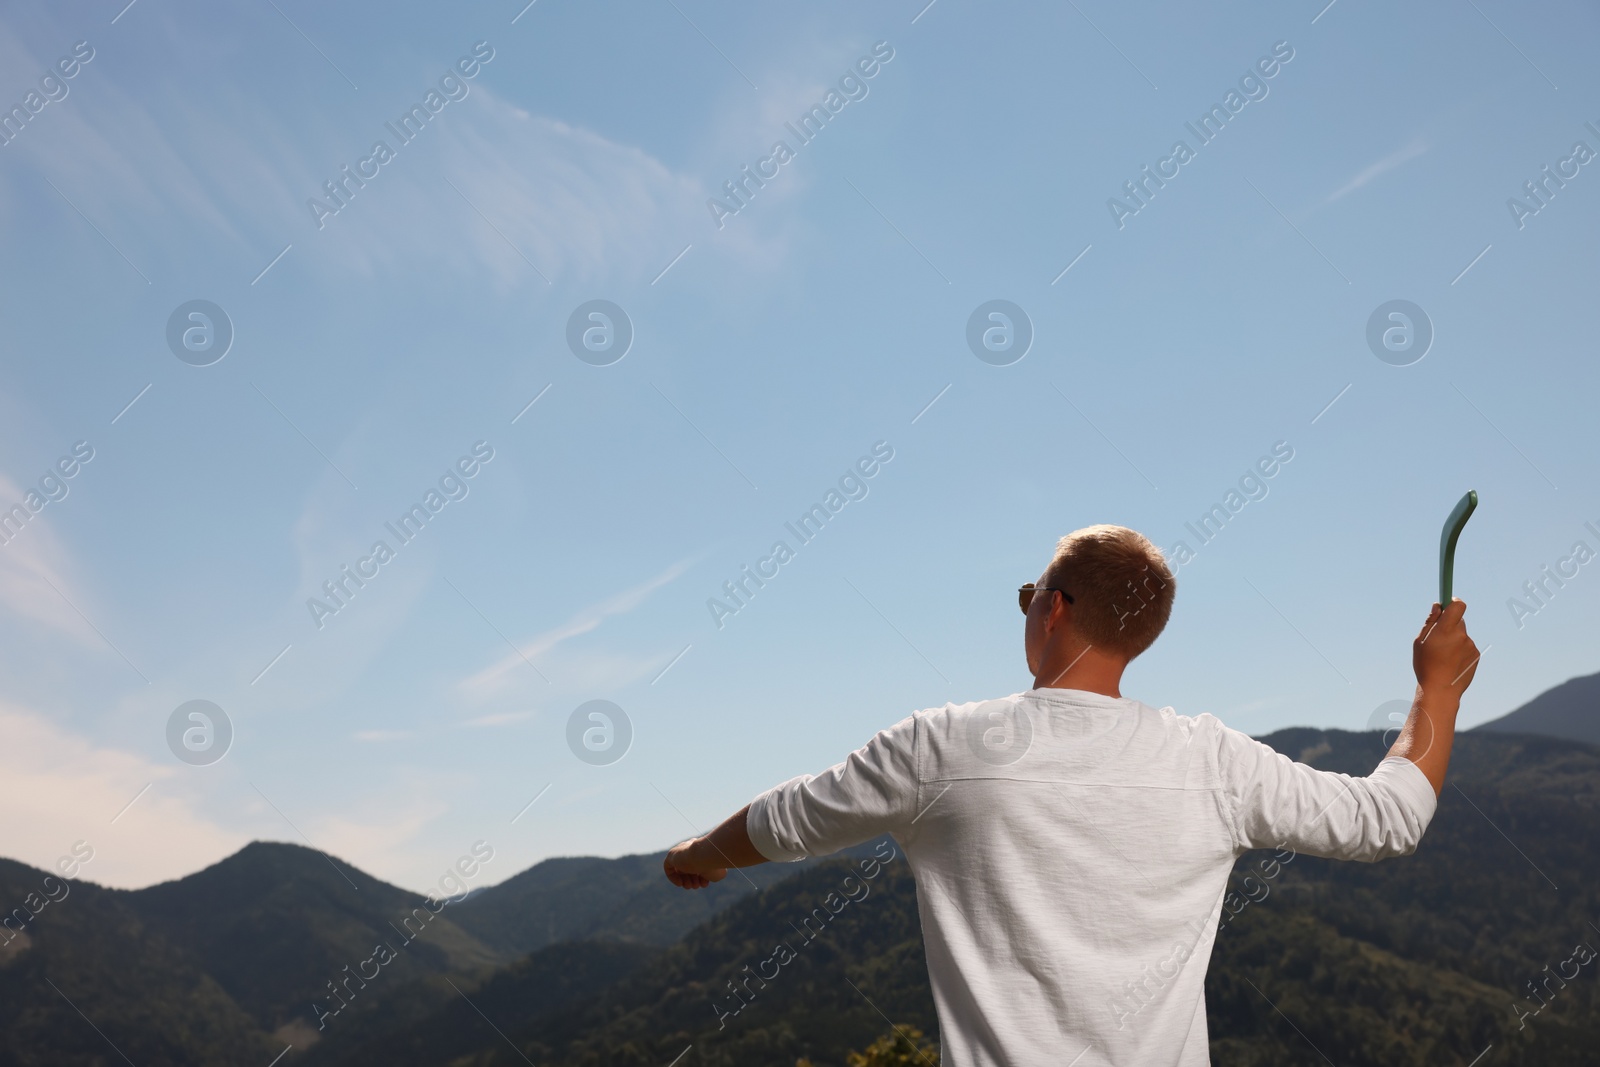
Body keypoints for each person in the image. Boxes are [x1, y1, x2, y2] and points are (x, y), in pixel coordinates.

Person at [663, 524, 1479, 1066]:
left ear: (1052, 608)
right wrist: (1436, 688)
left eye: (1029, 596)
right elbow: (1391, 817)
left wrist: (698, 856)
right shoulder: (1214, 760)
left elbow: (784, 821)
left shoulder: (939, 746)